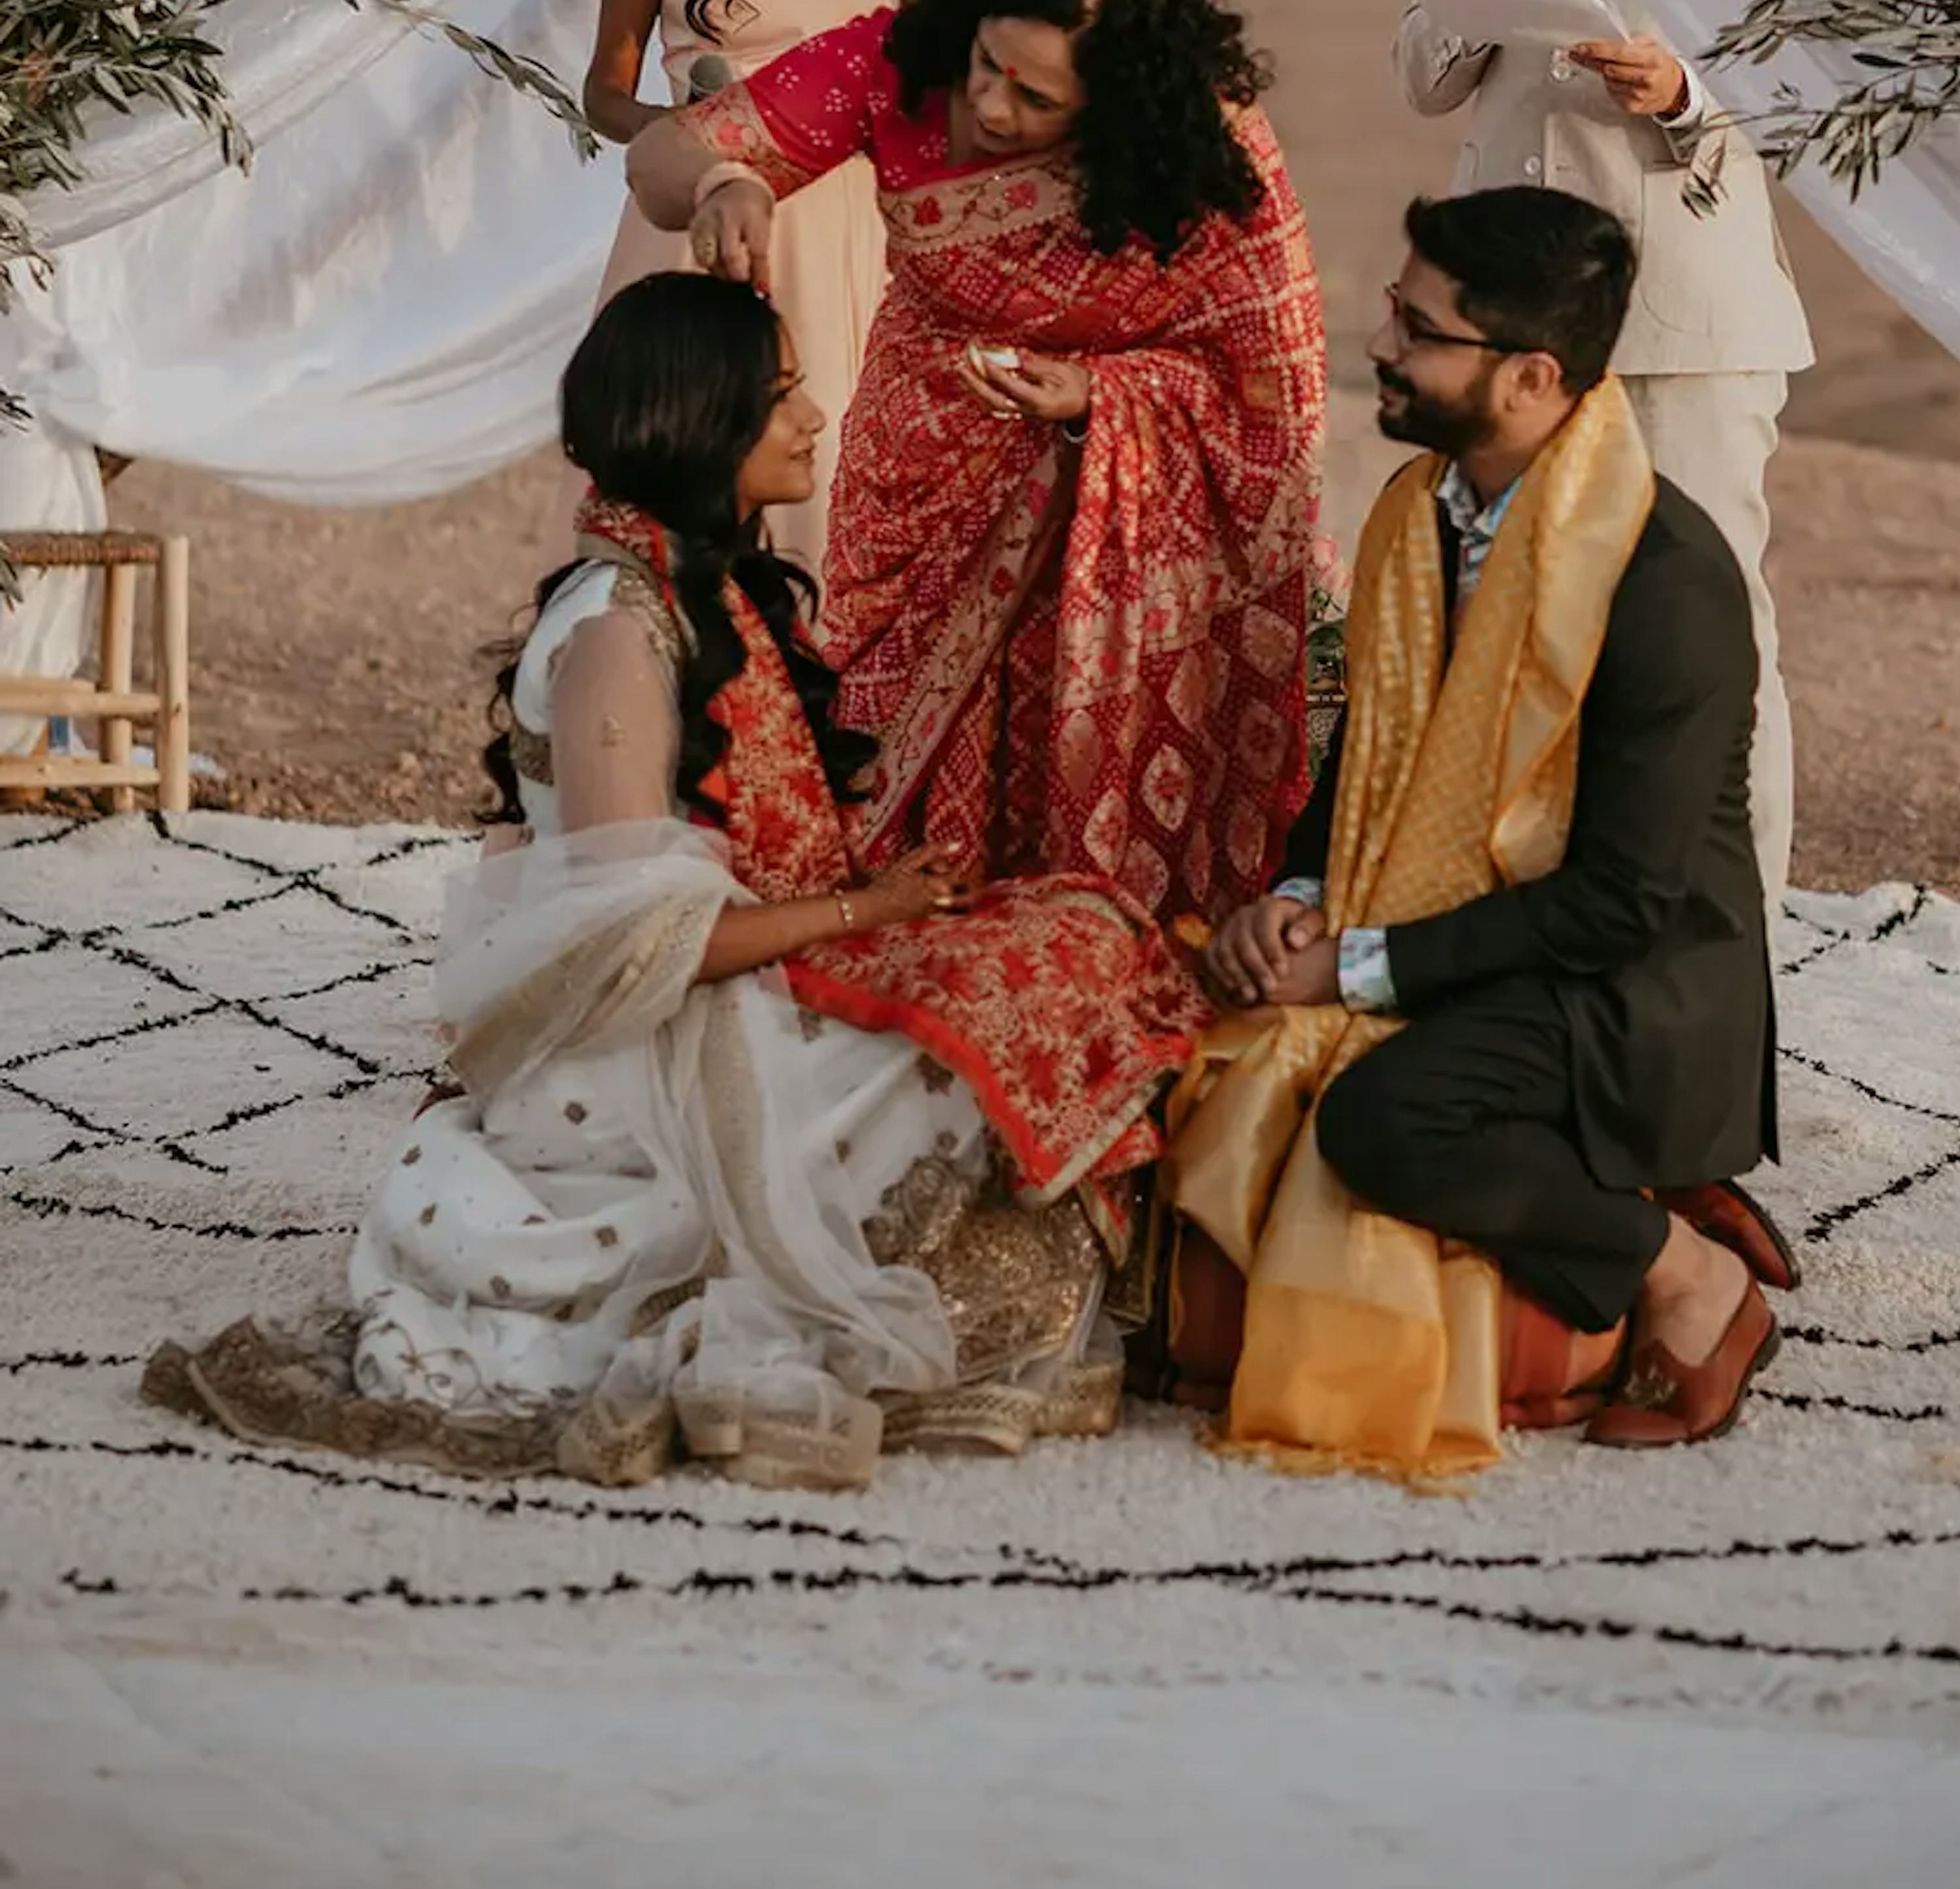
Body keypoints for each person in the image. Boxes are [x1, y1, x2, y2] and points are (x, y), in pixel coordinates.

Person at [149, 276, 1210, 1490]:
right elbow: (639, 942)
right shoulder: (617, 631)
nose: (812, 420)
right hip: (659, 1055)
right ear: (701, 424)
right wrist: (876, 913)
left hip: (758, 981)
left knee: (1080, 932)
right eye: (779, 398)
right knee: (1033, 985)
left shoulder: (696, 588)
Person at [1168, 189, 1786, 1480]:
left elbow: (1623, 904)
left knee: (1385, 1121)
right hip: (1476, 935)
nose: (1381, 342)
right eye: (1397, 311)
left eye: (1418, 327)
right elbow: (1371, 756)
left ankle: (1692, 1280)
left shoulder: (1662, 579)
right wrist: (1295, 893)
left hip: (1629, 987)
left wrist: (1355, 965)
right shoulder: (1422, 511)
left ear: (1530, 376)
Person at [629, 0, 1329, 926]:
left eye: (1038, 100)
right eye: (988, 67)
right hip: (923, 474)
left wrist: (1105, 394)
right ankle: (883, 952)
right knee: (872, 742)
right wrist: (728, 179)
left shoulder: (1202, 145)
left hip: (1114, 502)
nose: (995, 108)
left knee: (1069, 757)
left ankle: (1071, 958)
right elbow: (660, 157)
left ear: (1117, 105)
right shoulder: (902, 64)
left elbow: (1264, 387)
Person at [1397, 0, 1812, 909]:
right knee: (1509, 624)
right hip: (1509, 314)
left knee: (1712, 635)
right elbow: (1423, 71)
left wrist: (1685, 97)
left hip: (1683, 308)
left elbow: (1820, 72)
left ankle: (1734, 947)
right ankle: (1530, 928)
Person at [586, 0, 952, 573]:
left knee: (827, 464)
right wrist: (702, 150)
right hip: (689, 221)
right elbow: (605, 94)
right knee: (678, 465)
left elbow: (945, 83)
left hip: (846, 231)